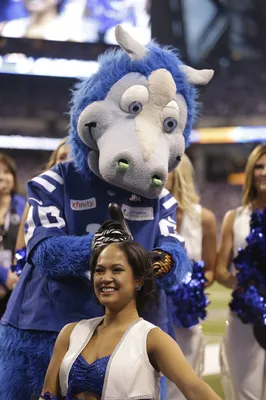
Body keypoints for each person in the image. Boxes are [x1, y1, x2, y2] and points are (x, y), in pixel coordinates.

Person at [39, 240, 222, 400]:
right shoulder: (70, 334)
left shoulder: (152, 339)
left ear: (139, 280)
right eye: (99, 270)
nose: (105, 278)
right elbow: (48, 395)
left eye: (117, 270)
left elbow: (195, 390)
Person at [216, 143, 266, 400]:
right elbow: (220, 271)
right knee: (246, 393)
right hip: (245, 317)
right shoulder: (234, 217)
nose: (264, 172)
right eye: (259, 166)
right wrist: (246, 286)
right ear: (250, 173)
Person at [165, 154, 217, 399]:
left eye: (167, 169)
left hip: (185, 317)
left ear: (179, 173)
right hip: (149, 311)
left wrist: (191, 286)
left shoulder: (204, 219)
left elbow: (210, 270)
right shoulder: (141, 215)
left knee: (185, 387)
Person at [14, 137, 71, 252]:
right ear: (53, 165)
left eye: (73, 157)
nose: (67, 162)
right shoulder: (35, 200)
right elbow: (21, 247)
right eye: (62, 157)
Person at [0, 153, 26, 316]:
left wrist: (14, 275)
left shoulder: (24, 206)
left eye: (7, 172)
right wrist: (2, 276)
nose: (3, 177)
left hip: (16, 283)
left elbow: (27, 243)